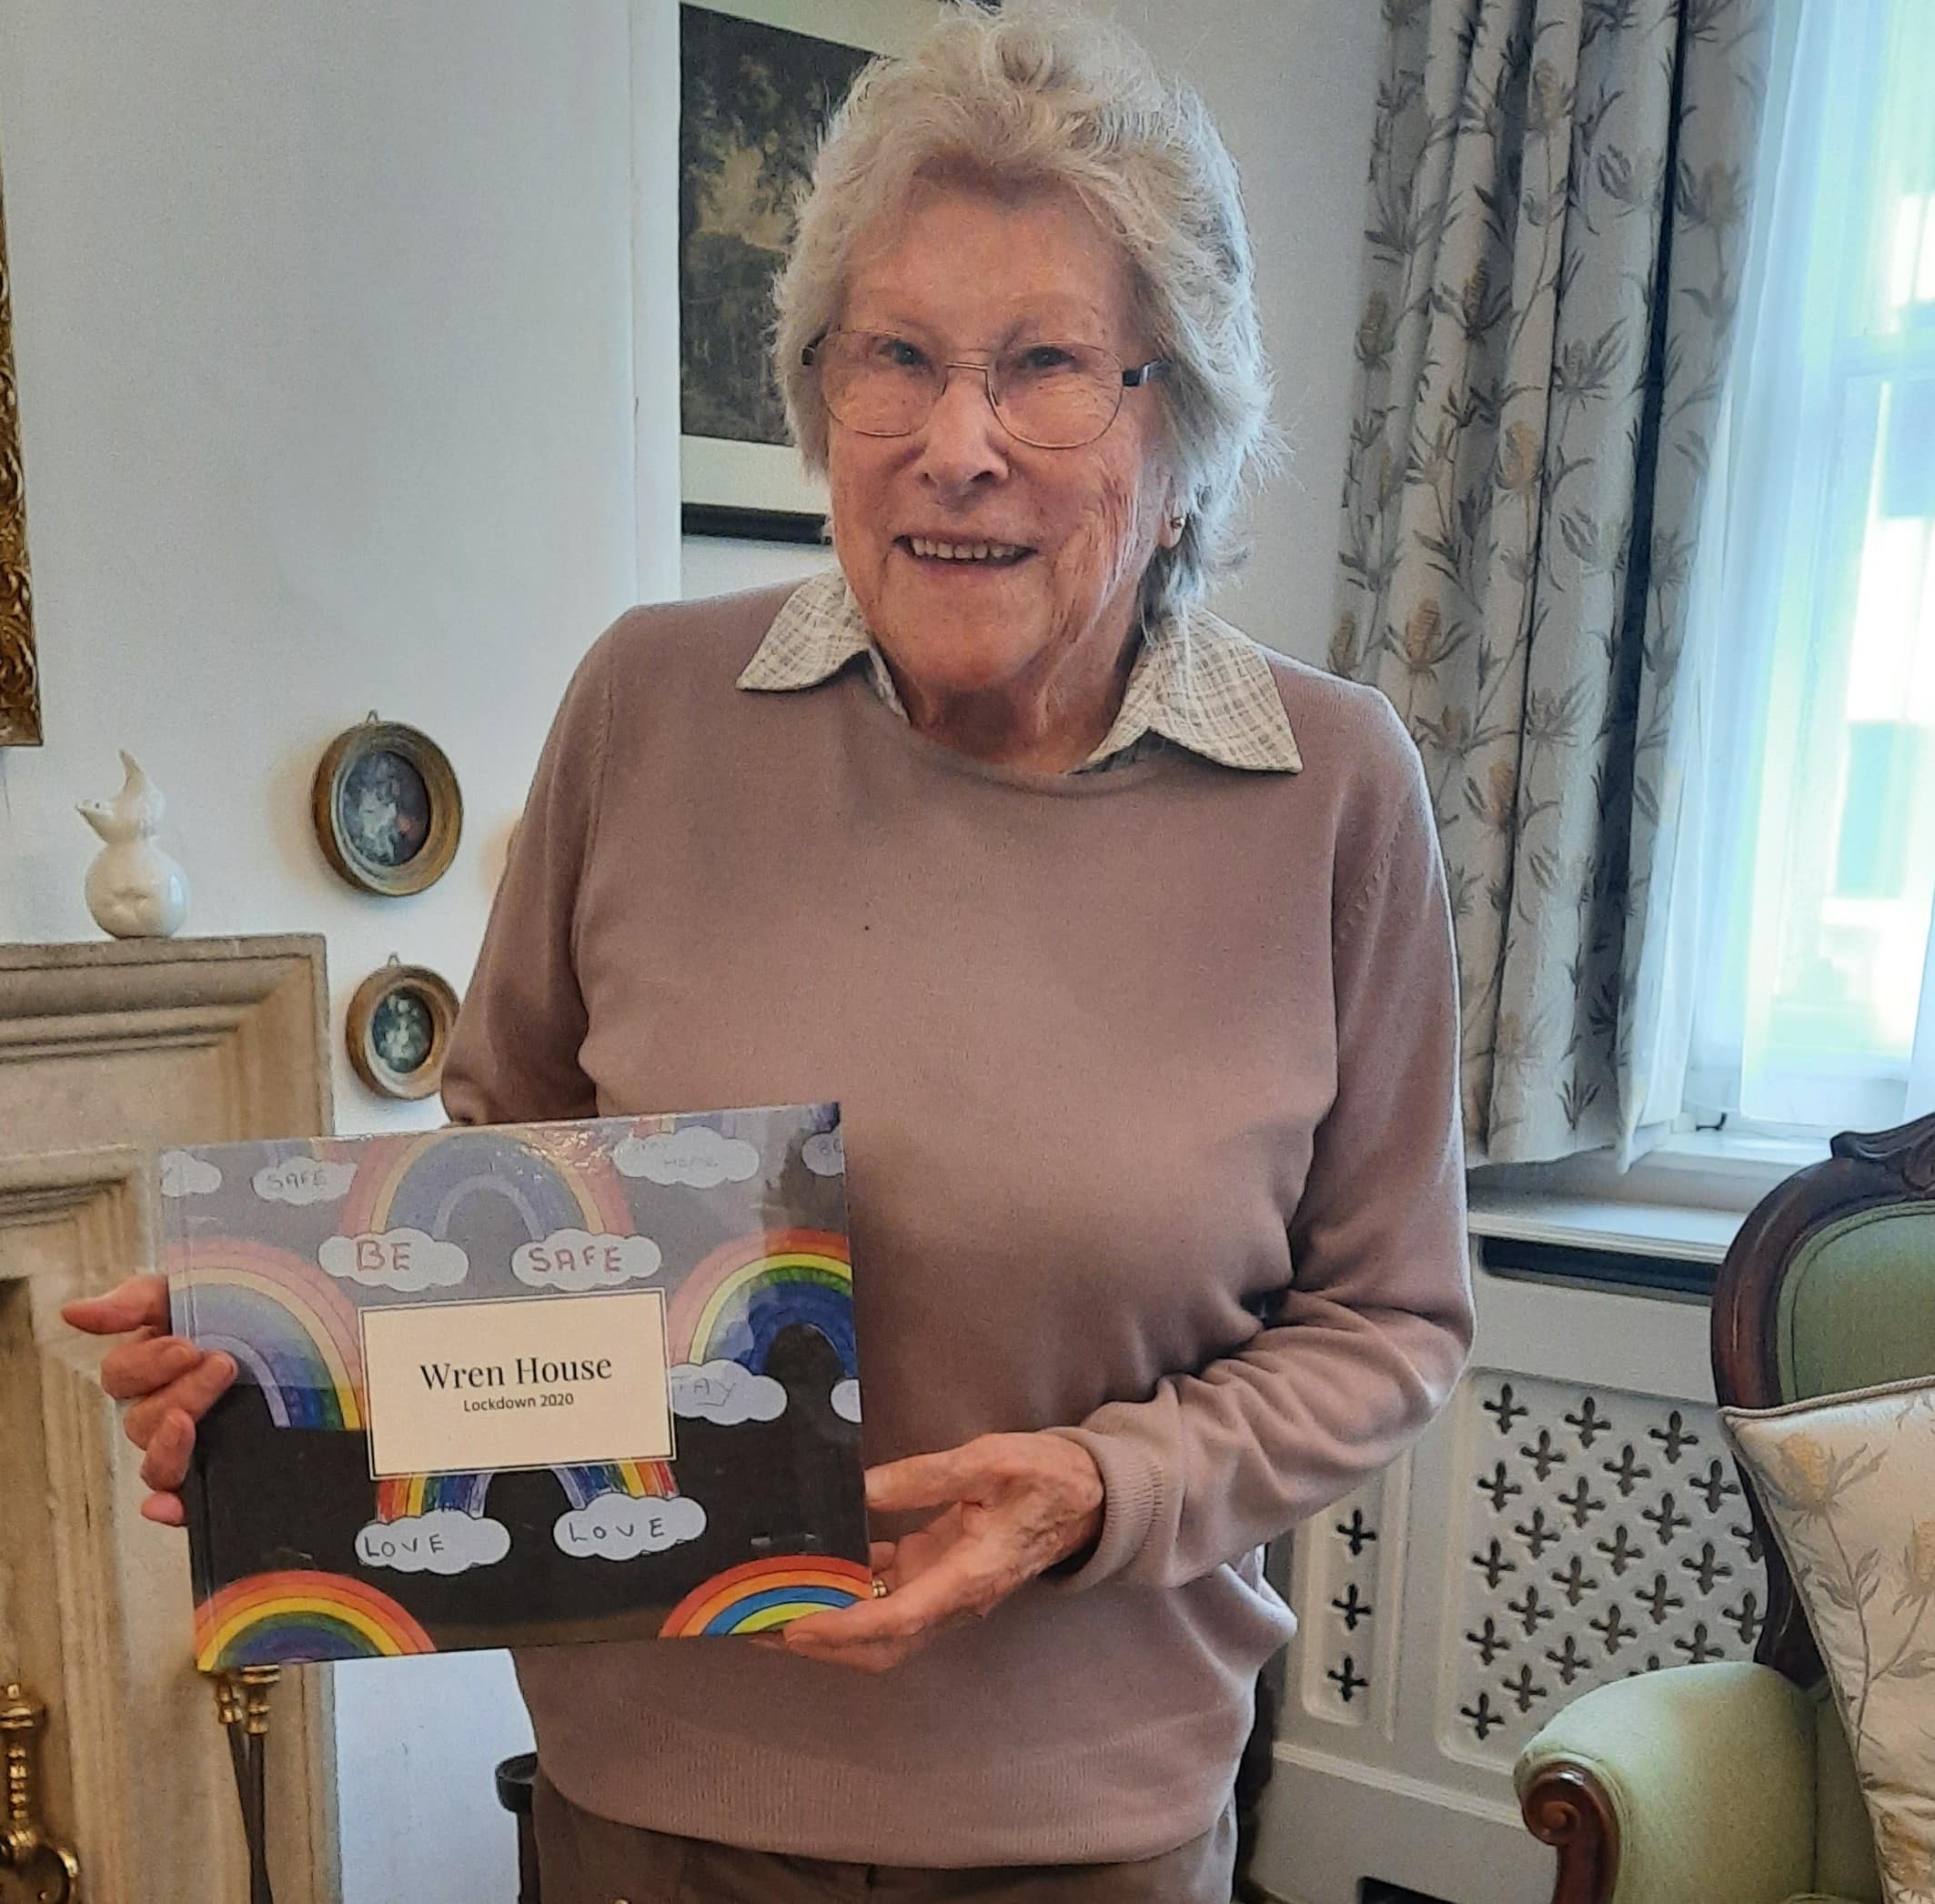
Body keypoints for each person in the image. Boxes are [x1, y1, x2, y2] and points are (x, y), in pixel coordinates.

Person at [64, 10, 1474, 1899]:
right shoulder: (649, 707)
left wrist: (1094, 1491)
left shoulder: (1327, 792)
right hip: (646, 1804)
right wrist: (286, 1377)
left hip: (1080, 1826)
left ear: (1177, 405)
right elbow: (495, 1202)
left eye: (1043, 365)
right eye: (891, 356)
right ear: (819, 391)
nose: (952, 447)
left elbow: (1385, 1324)